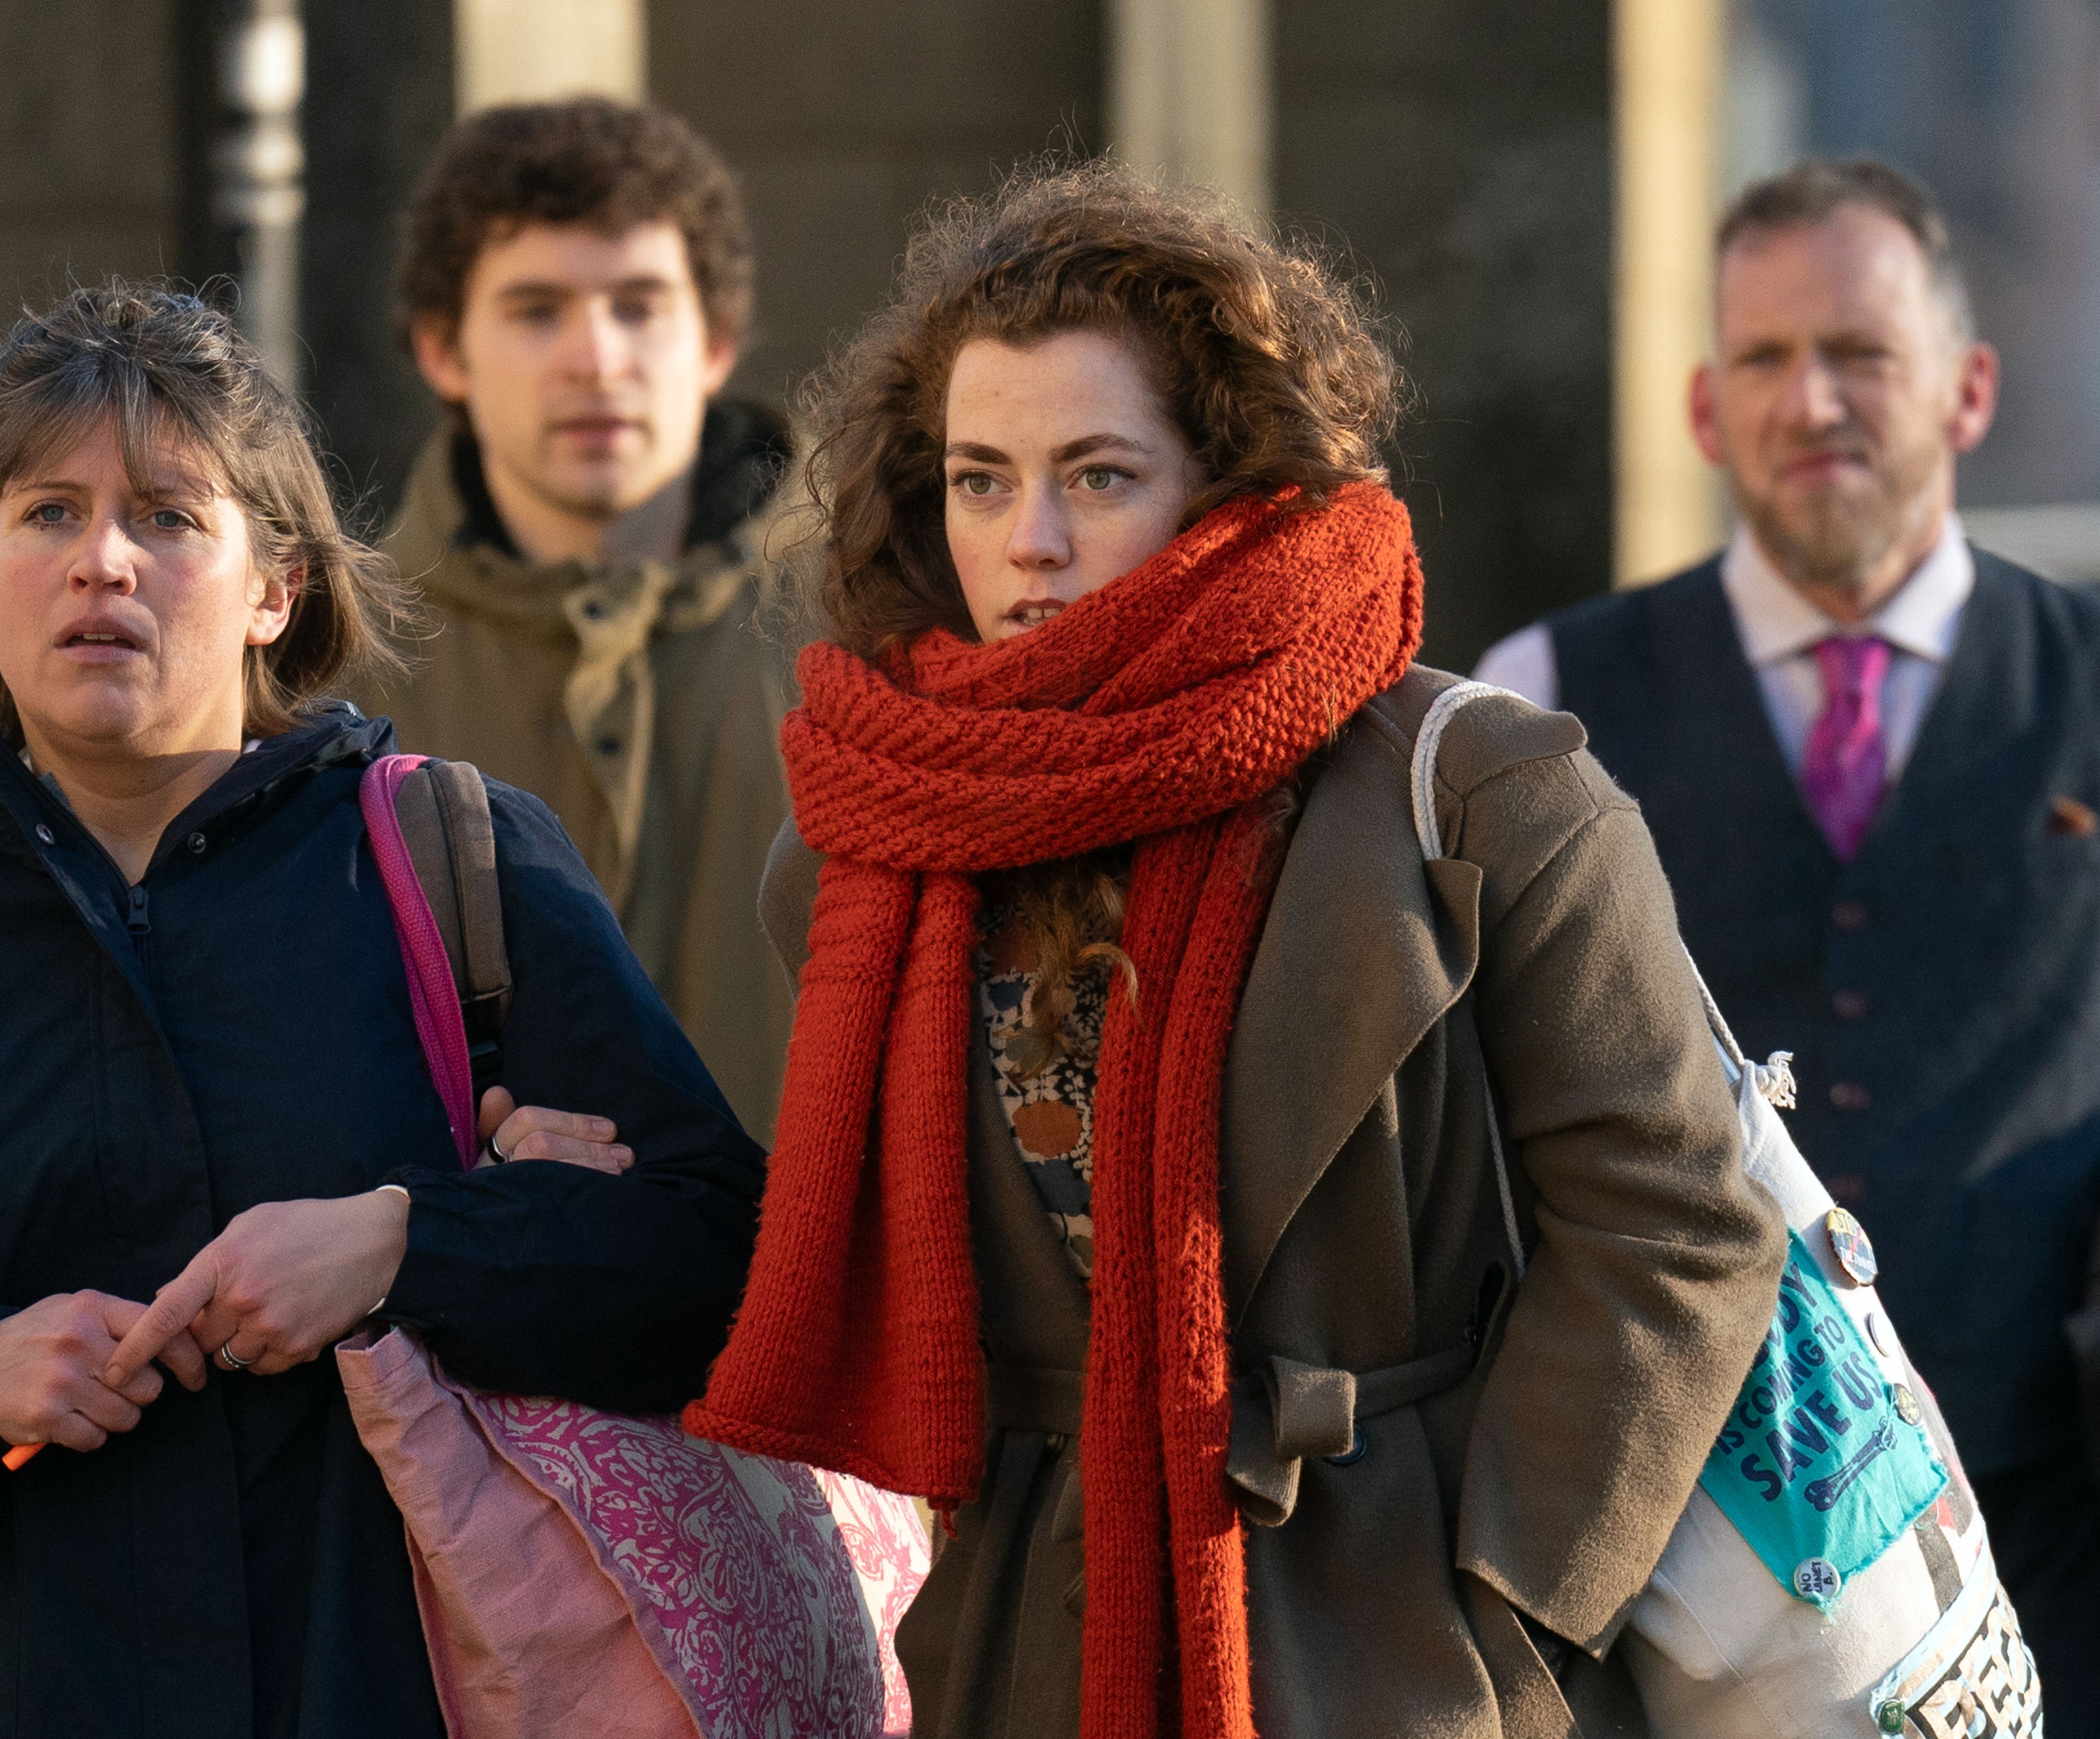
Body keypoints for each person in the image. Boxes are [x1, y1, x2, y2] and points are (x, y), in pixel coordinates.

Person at [680, 163, 1789, 1737]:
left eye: (1099, 473)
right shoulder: (872, 838)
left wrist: (1513, 1599)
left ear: (1228, 481)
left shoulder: (1476, 791)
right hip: (1023, 1643)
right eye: (980, 478)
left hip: (1399, 1637)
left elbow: (1675, 1218)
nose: (1032, 541)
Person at [0, 285, 765, 1739]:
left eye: (167, 516)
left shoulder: (457, 862)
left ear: (277, 589)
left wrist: (402, 1242)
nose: (103, 565)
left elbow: (719, 1257)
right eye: (50, 516)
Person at [1474, 157, 2100, 1730]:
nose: (1810, 399)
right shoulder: (1541, 699)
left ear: (1967, 389)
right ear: (1700, 407)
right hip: (1690, 1588)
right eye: (1763, 358)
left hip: (2054, 1547)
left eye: (1860, 355)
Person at [374, 96, 795, 1136]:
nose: (595, 359)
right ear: (443, 352)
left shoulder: (871, 622)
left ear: (716, 343)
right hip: (466, 1286)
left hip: (832, 1282)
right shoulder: (338, 660)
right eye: (535, 309)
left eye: (640, 304)